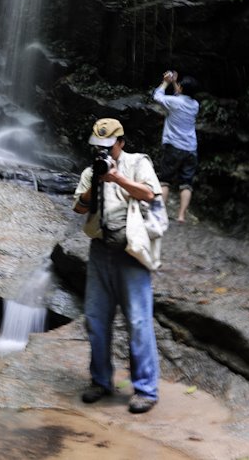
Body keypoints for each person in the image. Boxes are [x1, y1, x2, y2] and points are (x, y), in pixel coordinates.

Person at [73, 117, 163, 414]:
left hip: (132, 253)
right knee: (95, 320)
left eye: (108, 148)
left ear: (121, 143)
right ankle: (100, 381)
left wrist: (117, 179)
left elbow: (150, 194)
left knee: (138, 322)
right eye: (98, 148)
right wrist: (94, 185)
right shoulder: (90, 171)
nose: (102, 153)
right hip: (100, 251)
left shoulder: (137, 163)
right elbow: (79, 207)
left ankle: (146, 390)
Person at [153, 70, 199, 223]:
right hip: (191, 148)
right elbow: (180, 97)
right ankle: (181, 216)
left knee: (165, 180)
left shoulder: (174, 102)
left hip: (173, 146)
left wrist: (166, 82)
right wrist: (175, 83)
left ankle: (161, 214)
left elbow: (157, 96)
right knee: (186, 183)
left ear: (182, 89)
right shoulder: (195, 105)